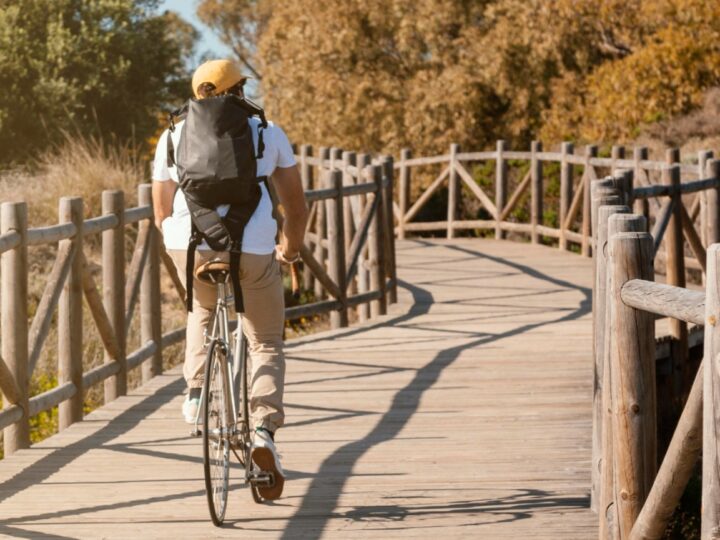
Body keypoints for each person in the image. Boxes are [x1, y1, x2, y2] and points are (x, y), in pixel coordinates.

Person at [151, 59, 307, 499]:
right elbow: (295, 206)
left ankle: (196, 393)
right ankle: (263, 431)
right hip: (253, 248)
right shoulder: (268, 132)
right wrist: (290, 250)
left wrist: (177, 239)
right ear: (239, 90)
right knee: (265, 341)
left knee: (202, 308)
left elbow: (161, 211)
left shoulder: (170, 136)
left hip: (189, 245)